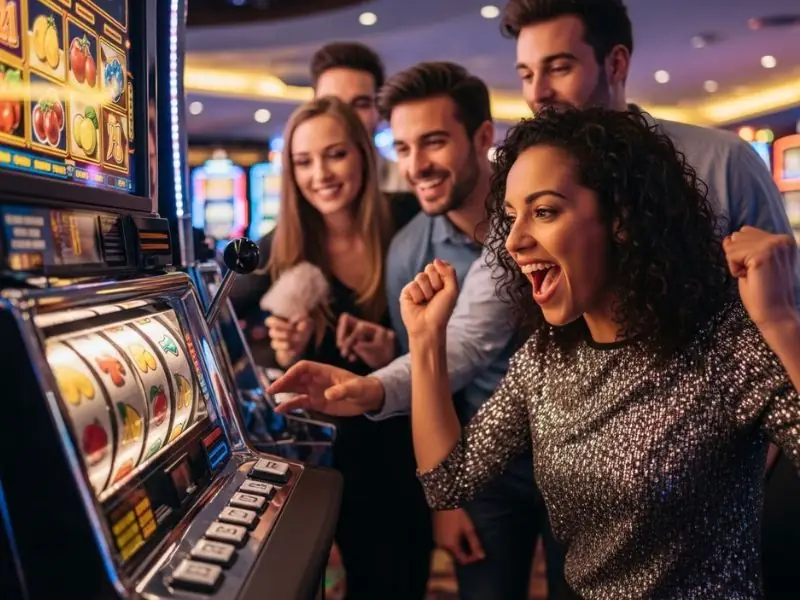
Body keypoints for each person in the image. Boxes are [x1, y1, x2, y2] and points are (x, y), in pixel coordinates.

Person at [396, 107, 800, 599]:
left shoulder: (723, 345)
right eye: (510, 217)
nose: (516, 241)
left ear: (622, 218)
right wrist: (425, 339)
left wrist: (780, 322)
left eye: (543, 212)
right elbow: (448, 483)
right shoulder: (543, 360)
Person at [272, 62, 571, 600]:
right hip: (485, 464)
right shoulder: (409, 249)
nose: (417, 166)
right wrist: (448, 499)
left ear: (483, 137)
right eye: (404, 148)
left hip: (580, 447)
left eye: (432, 143)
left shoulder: (537, 217)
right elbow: (440, 365)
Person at [229, 96, 432, 600]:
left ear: (363, 153)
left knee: (399, 581)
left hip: (408, 442)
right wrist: (283, 347)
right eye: (303, 161)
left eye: (335, 154)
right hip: (330, 456)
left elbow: (453, 331)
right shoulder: (283, 245)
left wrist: (394, 345)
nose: (320, 173)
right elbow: (216, 319)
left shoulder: (410, 219)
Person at [500, 0, 800, 302]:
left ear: (616, 63)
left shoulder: (722, 161)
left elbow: (788, 300)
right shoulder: (526, 185)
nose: (538, 93)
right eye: (526, 76)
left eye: (559, 68)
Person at [310, 41, 413, 197]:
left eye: (361, 104)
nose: (345, 116)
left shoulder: (411, 188)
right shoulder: (302, 192)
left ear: (379, 111)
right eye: (331, 104)